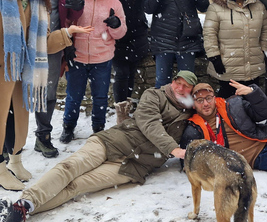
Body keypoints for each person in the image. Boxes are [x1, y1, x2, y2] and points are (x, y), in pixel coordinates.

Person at [0, 71, 197, 221]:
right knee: (70, 168)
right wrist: (174, 149)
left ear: (192, 91)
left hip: (135, 166)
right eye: (177, 83)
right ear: (172, 83)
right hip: (113, 142)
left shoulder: (190, 113)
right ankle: (25, 203)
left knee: (77, 186)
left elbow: (212, 108)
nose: (179, 88)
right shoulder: (154, 95)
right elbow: (150, 124)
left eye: (185, 86)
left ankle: (20, 210)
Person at [0, 0, 91, 191]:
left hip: (23, 71)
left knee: (17, 119)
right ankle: (0, 167)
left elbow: (44, 43)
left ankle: (15, 159)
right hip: (2, 69)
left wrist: (67, 33)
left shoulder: (38, 1)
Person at [60, 0, 127, 144]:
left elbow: (121, 33)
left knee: (100, 96)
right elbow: (65, 23)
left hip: (102, 59)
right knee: (74, 96)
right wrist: (68, 43)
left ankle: (98, 128)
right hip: (78, 56)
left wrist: (116, 25)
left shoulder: (114, 3)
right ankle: (68, 126)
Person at [34, 0, 85, 158]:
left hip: (53, 41)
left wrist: (77, 3)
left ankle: (43, 137)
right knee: (14, 91)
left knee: (48, 90)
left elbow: (74, 12)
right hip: (25, 38)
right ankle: (8, 144)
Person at [203, 0, 267, 98]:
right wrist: (214, 56)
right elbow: (209, 33)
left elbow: (265, 29)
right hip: (227, 65)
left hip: (252, 64)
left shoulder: (258, 6)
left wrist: (263, 49)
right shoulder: (216, 8)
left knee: (251, 103)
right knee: (229, 105)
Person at [104, 0, 151, 124]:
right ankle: (121, 115)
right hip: (117, 31)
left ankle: (127, 109)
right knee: (122, 73)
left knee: (131, 72)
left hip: (138, 30)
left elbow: (149, 4)